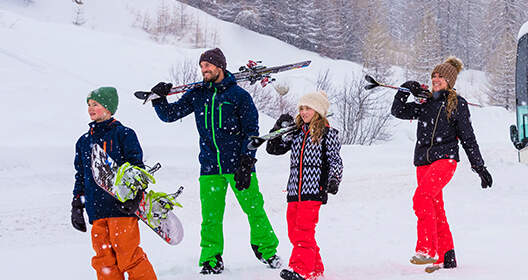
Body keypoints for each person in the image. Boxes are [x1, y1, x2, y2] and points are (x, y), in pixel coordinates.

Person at [147, 48, 281, 274]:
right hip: (209, 166)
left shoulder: (239, 96)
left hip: (238, 165)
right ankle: (211, 258)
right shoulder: (198, 94)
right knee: (211, 217)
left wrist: (246, 162)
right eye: (202, 66)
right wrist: (159, 100)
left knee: (254, 209)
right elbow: (170, 115)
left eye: (207, 65)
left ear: (220, 66)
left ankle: (267, 251)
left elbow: (252, 131)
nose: (204, 70)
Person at [391, 56, 493, 273]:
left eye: (441, 76)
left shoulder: (457, 104)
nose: (436, 79)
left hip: (445, 159)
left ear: (450, 81)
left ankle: (427, 248)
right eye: (434, 75)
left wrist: (479, 167)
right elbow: (398, 111)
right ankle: (447, 255)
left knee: (421, 198)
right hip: (423, 162)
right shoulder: (425, 103)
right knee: (435, 208)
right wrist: (405, 89)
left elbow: (468, 138)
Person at [72, 87, 158, 280]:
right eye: (89, 105)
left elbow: (137, 168)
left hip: (121, 208)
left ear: (108, 107)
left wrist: (136, 196)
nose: (90, 108)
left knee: (129, 257)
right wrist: (77, 203)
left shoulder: (124, 134)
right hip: (96, 210)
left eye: (95, 104)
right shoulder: (84, 141)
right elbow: (81, 174)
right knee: (104, 261)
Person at [264, 91, 344, 280]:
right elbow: (273, 149)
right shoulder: (296, 133)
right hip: (294, 191)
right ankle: (315, 268)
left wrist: (334, 179)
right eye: (301, 108)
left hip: (313, 191)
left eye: (308, 108)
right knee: (295, 233)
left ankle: (301, 269)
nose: (304, 112)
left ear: (318, 110)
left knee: (303, 232)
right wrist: (279, 126)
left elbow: (335, 160)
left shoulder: (327, 134)